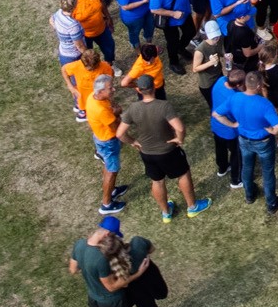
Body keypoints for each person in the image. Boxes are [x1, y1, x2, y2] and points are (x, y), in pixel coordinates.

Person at [121, 74, 206, 221]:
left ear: (139, 90)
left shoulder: (133, 108)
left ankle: (166, 213)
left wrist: (133, 141)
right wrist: (179, 139)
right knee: (183, 174)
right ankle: (192, 207)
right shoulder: (163, 106)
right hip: (167, 151)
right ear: (154, 87)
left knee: (157, 181)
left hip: (147, 153)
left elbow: (120, 133)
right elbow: (179, 127)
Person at [213, 72, 278, 213]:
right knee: (268, 171)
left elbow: (216, 114)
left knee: (247, 167)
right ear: (258, 86)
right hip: (263, 142)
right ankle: (271, 203)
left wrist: (233, 124)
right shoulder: (264, 104)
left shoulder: (235, 98)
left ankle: (249, 195)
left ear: (245, 83)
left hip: (243, 139)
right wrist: (270, 130)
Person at [117, 226, 170, 307]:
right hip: (146, 284)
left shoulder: (111, 262)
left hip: (129, 289)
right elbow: (151, 248)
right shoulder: (138, 243)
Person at [87, 74, 128, 214]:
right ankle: (106, 204)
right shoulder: (102, 110)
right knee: (112, 171)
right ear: (100, 91)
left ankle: (112, 190)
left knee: (108, 166)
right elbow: (117, 127)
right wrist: (117, 113)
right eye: (110, 88)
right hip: (108, 142)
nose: (114, 89)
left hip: (100, 138)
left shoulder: (93, 96)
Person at [206, 63, 244, 192]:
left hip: (216, 126)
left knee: (220, 148)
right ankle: (236, 180)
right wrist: (234, 124)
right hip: (230, 131)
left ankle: (222, 168)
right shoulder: (235, 97)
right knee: (236, 155)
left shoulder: (220, 81)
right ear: (238, 85)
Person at [147, 0, 193, 67]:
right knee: (173, 42)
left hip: (185, 12)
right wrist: (173, 14)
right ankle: (174, 62)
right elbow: (154, 9)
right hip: (170, 20)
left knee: (191, 32)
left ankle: (180, 49)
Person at [62, 44, 114, 124]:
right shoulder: (77, 65)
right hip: (82, 94)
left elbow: (110, 78)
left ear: (98, 63)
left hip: (96, 95)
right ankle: (82, 111)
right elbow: (64, 69)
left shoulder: (105, 67)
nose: (89, 70)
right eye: (87, 68)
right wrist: (70, 86)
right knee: (82, 103)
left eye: (92, 68)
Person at [70, 0, 115, 64]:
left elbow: (101, 3)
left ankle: (109, 64)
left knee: (109, 47)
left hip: (101, 28)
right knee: (87, 56)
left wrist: (108, 17)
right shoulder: (71, 1)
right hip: (84, 35)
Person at [51, 0, 88, 74]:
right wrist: (88, 55)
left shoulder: (59, 12)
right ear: (74, 7)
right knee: (78, 79)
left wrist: (59, 29)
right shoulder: (73, 25)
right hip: (74, 56)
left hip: (64, 53)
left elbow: (51, 20)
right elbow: (79, 46)